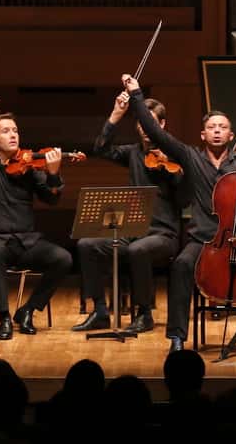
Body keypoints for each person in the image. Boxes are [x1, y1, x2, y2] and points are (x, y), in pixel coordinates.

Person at [121, 73, 236, 353]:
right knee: (181, 265)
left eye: (222, 127)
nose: (217, 130)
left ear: (232, 136)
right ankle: (177, 338)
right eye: (211, 127)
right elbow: (156, 132)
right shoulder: (190, 157)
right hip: (201, 241)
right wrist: (137, 96)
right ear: (203, 134)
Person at [0, 97, 73, 340]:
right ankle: (4, 317)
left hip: (25, 242)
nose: (13, 135)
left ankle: (28, 310)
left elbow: (51, 199)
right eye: (6, 131)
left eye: (15, 130)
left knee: (63, 258)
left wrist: (53, 174)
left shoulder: (29, 165)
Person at [73, 91, 183, 333]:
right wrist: (115, 115)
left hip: (163, 235)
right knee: (86, 244)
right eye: (141, 122)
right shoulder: (133, 153)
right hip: (132, 231)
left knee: (137, 250)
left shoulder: (177, 154)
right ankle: (100, 311)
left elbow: (185, 194)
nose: (145, 128)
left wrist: (171, 168)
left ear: (162, 124)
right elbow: (100, 148)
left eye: (151, 122)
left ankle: (144, 314)